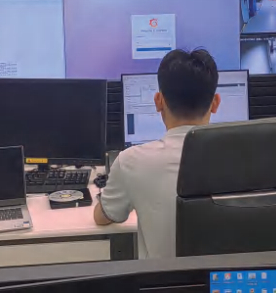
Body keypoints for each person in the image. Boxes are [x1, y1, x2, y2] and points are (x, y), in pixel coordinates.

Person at [93, 48, 221, 258]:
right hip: (229, 277)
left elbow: (103, 216)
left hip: (163, 277)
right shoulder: (246, 160)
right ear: (215, 103)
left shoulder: (131, 162)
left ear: (158, 101)